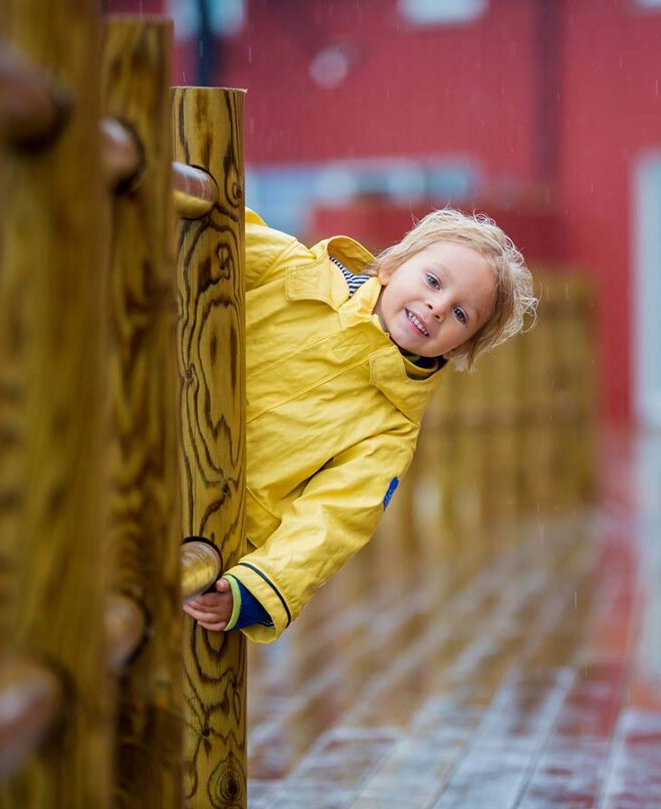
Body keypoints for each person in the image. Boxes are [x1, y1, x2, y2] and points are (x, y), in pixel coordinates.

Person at [182, 207, 536, 642]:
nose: (438, 307)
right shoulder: (299, 274)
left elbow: (333, 519)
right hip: (155, 433)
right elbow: (224, 236)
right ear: (391, 265)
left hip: (211, 525)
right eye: (433, 281)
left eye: (462, 314)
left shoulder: (390, 429)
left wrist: (257, 588)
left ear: (462, 348)